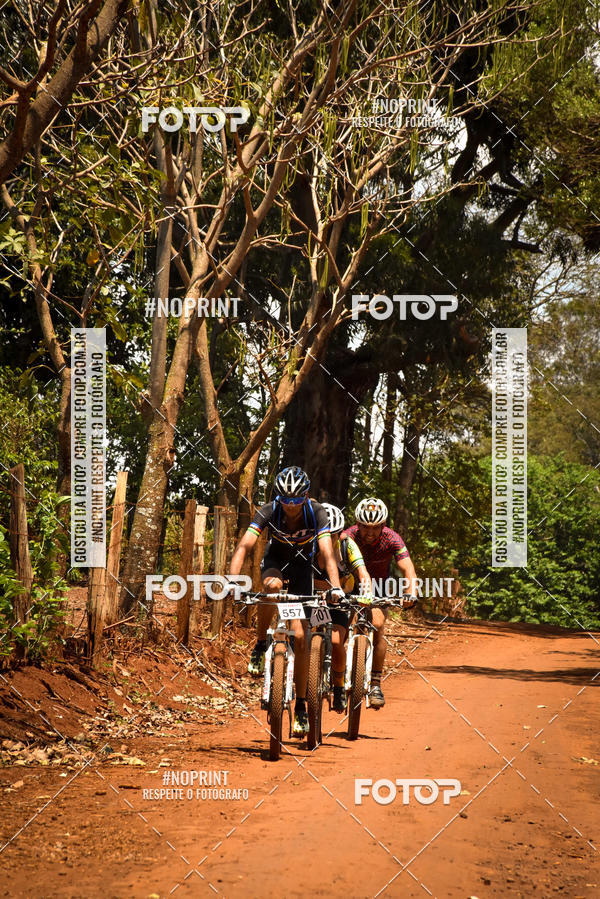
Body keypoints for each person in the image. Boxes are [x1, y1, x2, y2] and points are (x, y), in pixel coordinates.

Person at [228, 466, 343, 736]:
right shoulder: (268, 510)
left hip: (304, 568)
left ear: (305, 496)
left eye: (296, 500)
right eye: (285, 500)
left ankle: (301, 705)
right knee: (272, 588)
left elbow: (326, 552)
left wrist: (336, 586)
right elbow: (245, 546)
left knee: (302, 636)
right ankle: (259, 646)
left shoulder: (316, 512)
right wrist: (232, 581)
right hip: (276, 562)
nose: (291, 506)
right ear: (278, 498)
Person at [342, 497, 418, 709]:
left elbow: (408, 568)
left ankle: (375, 683)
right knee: (340, 628)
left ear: (383, 526)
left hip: (379, 587)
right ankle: (335, 678)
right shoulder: (347, 536)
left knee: (377, 624)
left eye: (375, 528)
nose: (369, 532)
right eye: (365, 527)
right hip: (350, 584)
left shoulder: (393, 538)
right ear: (358, 524)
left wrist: (411, 592)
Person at [313, 503, 372, 713]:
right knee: (306, 635)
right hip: (314, 598)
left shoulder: (348, 546)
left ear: (341, 533)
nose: (330, 539)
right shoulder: (308, 546)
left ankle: (338, 688)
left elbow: (363, 573)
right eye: (326, 535)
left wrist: (366, 593)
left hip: (342, 599)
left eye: (335, 535)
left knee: (337, 641)